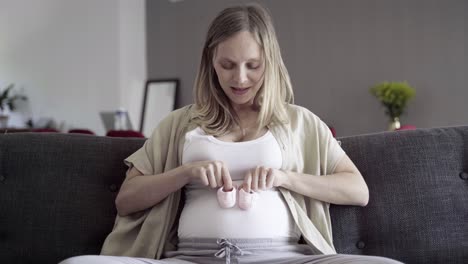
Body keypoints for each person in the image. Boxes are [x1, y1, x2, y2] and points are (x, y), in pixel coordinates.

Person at [60, 3, 402, 264]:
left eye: (252, 65)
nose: (240, 79)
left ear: (269, 62)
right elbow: (127, 199)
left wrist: (284, 177)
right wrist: (185, 173)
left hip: (284, 257)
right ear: (211, 62)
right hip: (190, 258)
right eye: (227, 65)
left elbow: (357, 190)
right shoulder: (179, 124)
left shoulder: (300, 122)